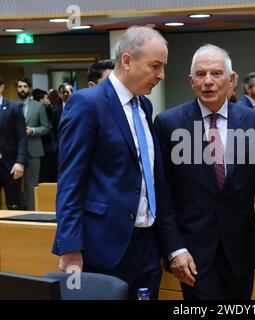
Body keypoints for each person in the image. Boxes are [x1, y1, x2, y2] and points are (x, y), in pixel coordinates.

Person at [154, 44, 255, 300]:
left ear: (232, 79)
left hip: (240, 254)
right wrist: (174, 248)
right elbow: (164, 194)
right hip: (192, 257)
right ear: (191, 81)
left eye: (216, 73)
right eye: (201, 75)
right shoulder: (168, 124)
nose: (208, 82)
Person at [52, 26, 169, 300]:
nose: (161, 75)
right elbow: (70, 182)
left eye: (162, 67)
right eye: (155, 66)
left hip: (147, 243)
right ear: (127, 61)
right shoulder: (86, 104)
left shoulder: (145, 107)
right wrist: (69, 247)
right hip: (103, 246)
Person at [16, 77, 50, 210]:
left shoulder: (38, 106)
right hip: (16, 151)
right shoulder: (12, 105)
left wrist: (33, 130)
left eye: (25, 86)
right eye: (19, 87)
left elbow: (46, 127)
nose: (22, 89)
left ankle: (31, 214)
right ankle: (17, 213)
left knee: (31, 185)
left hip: (34, 150)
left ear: (29, 88)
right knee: (15, 186)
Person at [0, 74, 26, 210]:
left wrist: (20, 161)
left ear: (2, 87)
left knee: (14, 205)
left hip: (10, 165)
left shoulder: (14, 107)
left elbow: (22, 137)